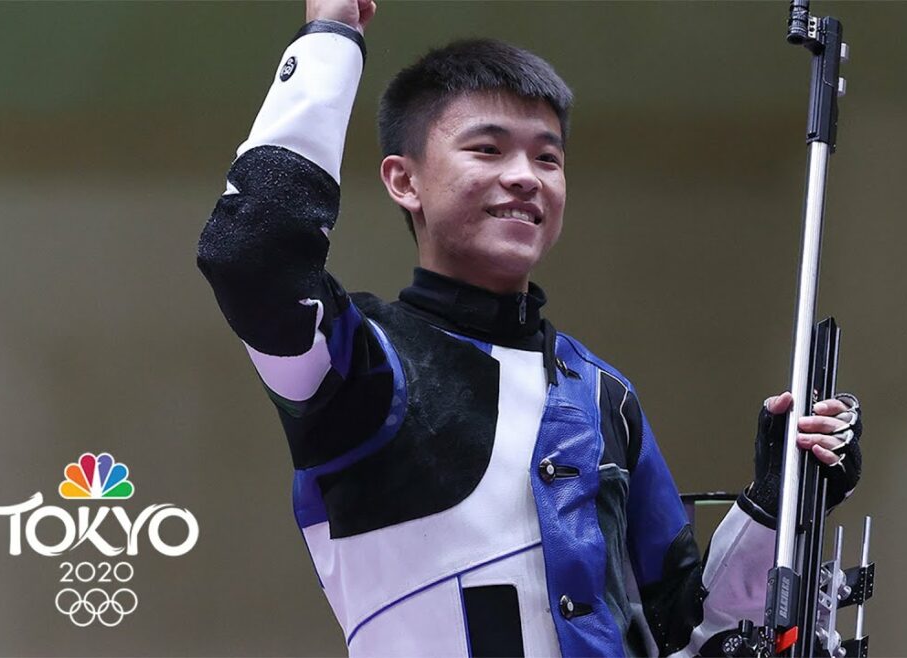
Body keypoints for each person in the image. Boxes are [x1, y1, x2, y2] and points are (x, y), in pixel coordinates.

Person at [196, 0, 864, 655]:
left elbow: (688, 630)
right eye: (486, 149)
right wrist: (329, 36)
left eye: (547, 159)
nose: (523, 177)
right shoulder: (357, 365)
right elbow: (252, 254)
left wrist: (775, 506)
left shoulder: (605, 397)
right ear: (405, 181)